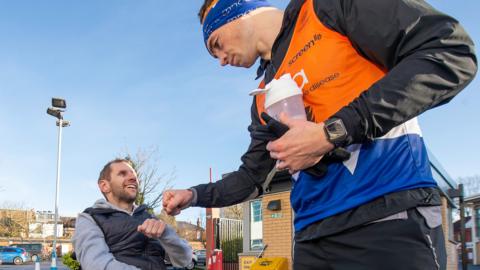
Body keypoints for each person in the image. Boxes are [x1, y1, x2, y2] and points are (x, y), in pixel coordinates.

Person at [163, 0, 477, 269]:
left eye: (216, 43)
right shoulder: (261, 96)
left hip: (386, 212)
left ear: (237, 10)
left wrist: (331, 133)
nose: (219, 60)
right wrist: (193, 195)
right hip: (312, 239)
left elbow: (450, 53)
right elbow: (251, 178)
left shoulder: (324, 10)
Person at [73, 159, 193, 270]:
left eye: (134, 174)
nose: (133, 177)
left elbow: (184, 260)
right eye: (123, 173)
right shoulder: (89, 218)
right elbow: (96, 265)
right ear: (105, 186)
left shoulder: (150, 218)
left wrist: (166, 233)